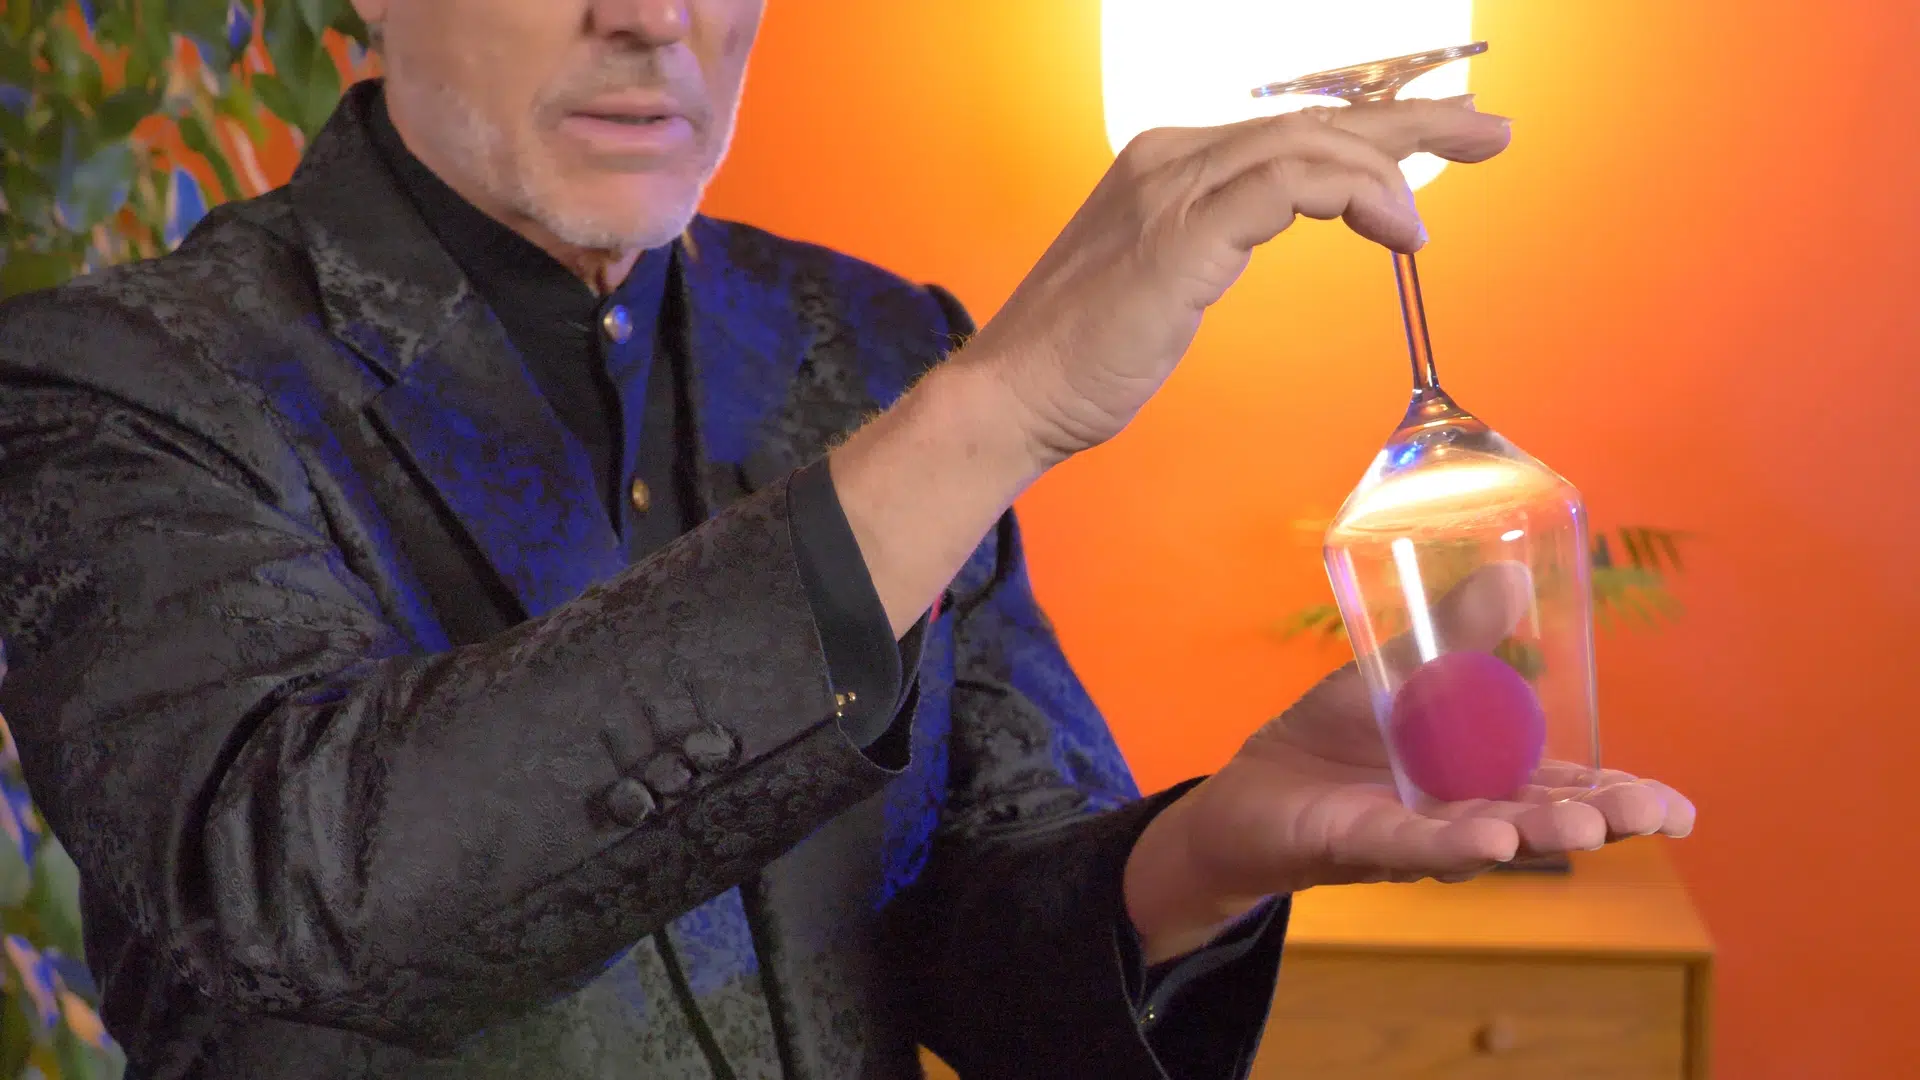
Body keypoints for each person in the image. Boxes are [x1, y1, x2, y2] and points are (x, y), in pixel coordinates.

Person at [0, 2, 1695, 1078]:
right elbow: (304, 899)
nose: (653, 18)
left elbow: (970, 933)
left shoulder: (872, 341)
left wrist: (1208, 857)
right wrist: (998, 408)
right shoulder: (113, 379)